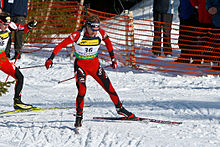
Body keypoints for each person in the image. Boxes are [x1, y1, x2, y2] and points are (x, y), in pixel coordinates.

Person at [45, 15, 138, 128]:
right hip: (81, 66)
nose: (95, 32)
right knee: (82, 90)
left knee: (109, 87)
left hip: (95, 66)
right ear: (87, 26)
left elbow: (108, 42)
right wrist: (51, 58)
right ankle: (79, 116)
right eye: (93, 29)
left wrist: (112, 58)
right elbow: (60, 45)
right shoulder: (77, 35)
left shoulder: (100, 33)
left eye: (97, 29)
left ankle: (120, 109)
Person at [0, 12, 35, 110]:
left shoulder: (10, 26)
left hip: (2, 57)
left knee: (19, 77)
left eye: (7, 24)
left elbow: (21, 28)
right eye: (4, 24)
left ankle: (17, 102)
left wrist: (29, 26)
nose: (6, 26)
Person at [206, 0, 220, 69]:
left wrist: (217, 8)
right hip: (216, 22)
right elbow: (208, 2)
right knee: (215, 44)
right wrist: (209, 8)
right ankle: (216, 63)